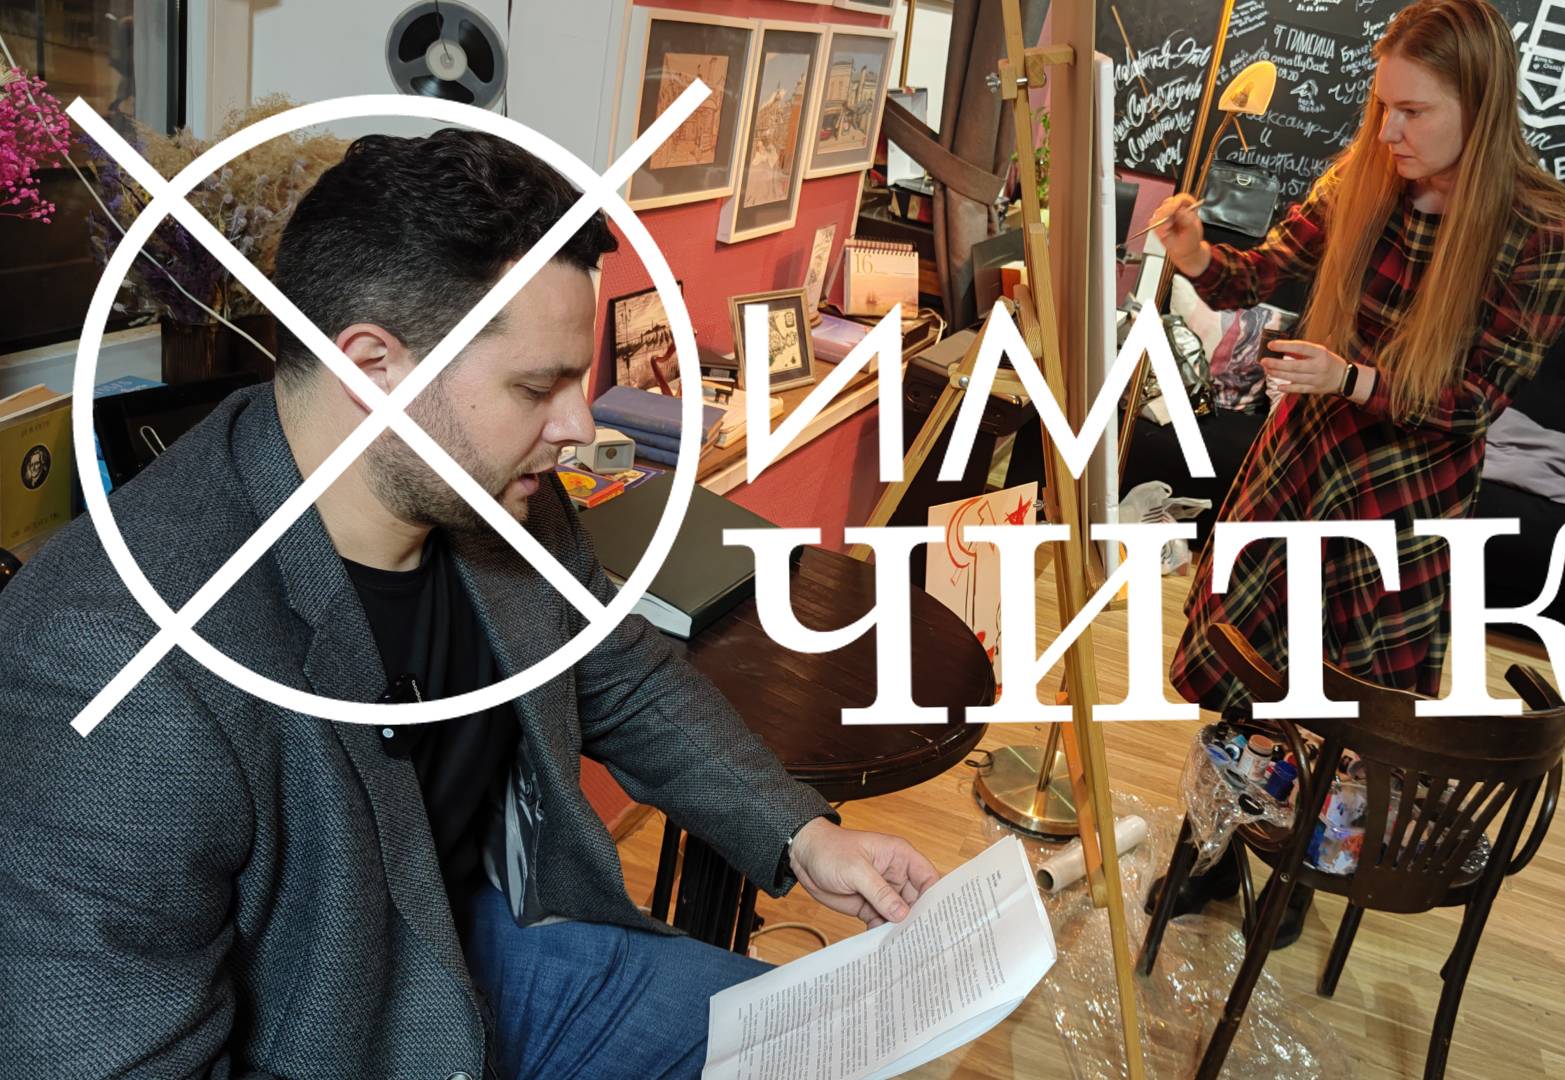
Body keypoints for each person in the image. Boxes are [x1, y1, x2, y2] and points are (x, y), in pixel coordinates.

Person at [0, 129, 938, 1079]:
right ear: (371, 365)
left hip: (480, 941)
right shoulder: (113, 667)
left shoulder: (494, 494)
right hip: (328, 1038)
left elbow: (618, 673)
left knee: (838, 1045)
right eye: (539, 386)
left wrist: (806, 837)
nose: (578, 426)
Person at [1147, 0, 1565, 943]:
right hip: (1299, 466)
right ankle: (1213, 850)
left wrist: (1352, 378)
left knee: (1345, 711)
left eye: (1414, 111)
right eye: (1383, 106)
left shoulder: (1544, 232)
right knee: (1243, 672)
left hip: (1400, 503)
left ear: (1481, 104)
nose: (1389, 130)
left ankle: (1301, 872)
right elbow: (1260, 273)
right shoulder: (1365, 173)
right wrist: (1197, 256)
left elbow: (1476, 402)